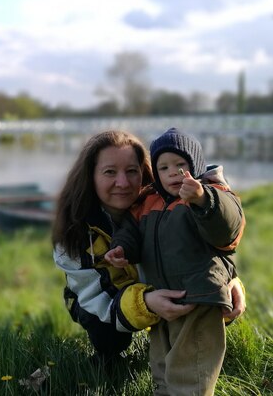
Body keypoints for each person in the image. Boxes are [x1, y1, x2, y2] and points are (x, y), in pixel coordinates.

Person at [51, 130, 246, 376]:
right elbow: (96, 299)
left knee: (206, 304)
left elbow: (214, 236)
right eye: (109, 172)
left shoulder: (168, 197)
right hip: (104, 298)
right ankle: (112, 352)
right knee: (110, 338)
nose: (123, 183)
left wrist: (230, 278)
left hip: (167, 280)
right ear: (90, 177)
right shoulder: (74, 232)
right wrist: (145, 304)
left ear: (145, 171)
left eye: (132, 171)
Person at [105, 127, 245, 395]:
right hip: (162, 298)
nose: (173, 173)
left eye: (181, 165)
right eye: (164, 167)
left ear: (195, 166)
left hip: (199, 296)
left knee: (191, 370)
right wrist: (121, 248)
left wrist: (203, 199)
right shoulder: (148, 202)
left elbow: (227, 230)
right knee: (162, 366)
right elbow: (131, 232)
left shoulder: (212, 194)